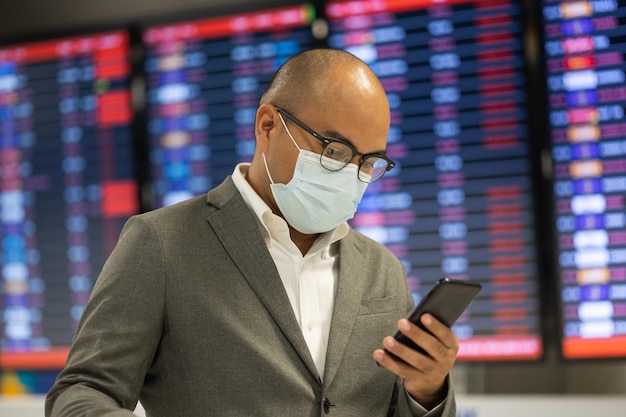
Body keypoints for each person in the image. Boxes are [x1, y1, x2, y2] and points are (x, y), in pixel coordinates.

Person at [45, 48, 458, 417]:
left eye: (369, 162)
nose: (352, 174)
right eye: (334, 151)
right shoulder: (162, 243)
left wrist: (427, 390)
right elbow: (82, 391)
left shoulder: (382, 269)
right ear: (267, 126)